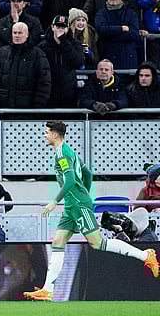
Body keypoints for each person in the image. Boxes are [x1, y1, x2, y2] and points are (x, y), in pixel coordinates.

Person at [23, 120, 159, 301]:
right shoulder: (68, 151)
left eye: (46, 132)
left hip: (77, 205)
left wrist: (55, 201)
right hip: (74, 205)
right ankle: (47, 289)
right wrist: (84, 192)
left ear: (55, 135)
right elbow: (87, 173)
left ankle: (145, 255)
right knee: (58, 241)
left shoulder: (62, 155)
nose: (44, 135)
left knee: (98, 243)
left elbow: (70, 181)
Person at [0, 22, 51, 109]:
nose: (17, 35)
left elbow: (44, 81)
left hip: (28, 110)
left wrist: (38, 105)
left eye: (20, 33)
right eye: (14, 33)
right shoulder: (2, 52)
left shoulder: (37, 54)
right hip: (3, 108)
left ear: (27, 34)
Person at [38, 15, 84, 108]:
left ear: (67, 29)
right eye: (58, 27)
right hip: (49, 92)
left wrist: (64, 42)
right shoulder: (42, 46)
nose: (60, 30)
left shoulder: (75, 44)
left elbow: (78, 62)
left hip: (68, 92)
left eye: (63, 27)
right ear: (52, 27)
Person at [95, 0, 139, 70]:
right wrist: (121, 28)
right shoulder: (101, 14)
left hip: (128, 60)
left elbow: (134, 34)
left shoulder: (131, 14)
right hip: (108, 58)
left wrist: (110, 35)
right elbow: (101, 31)